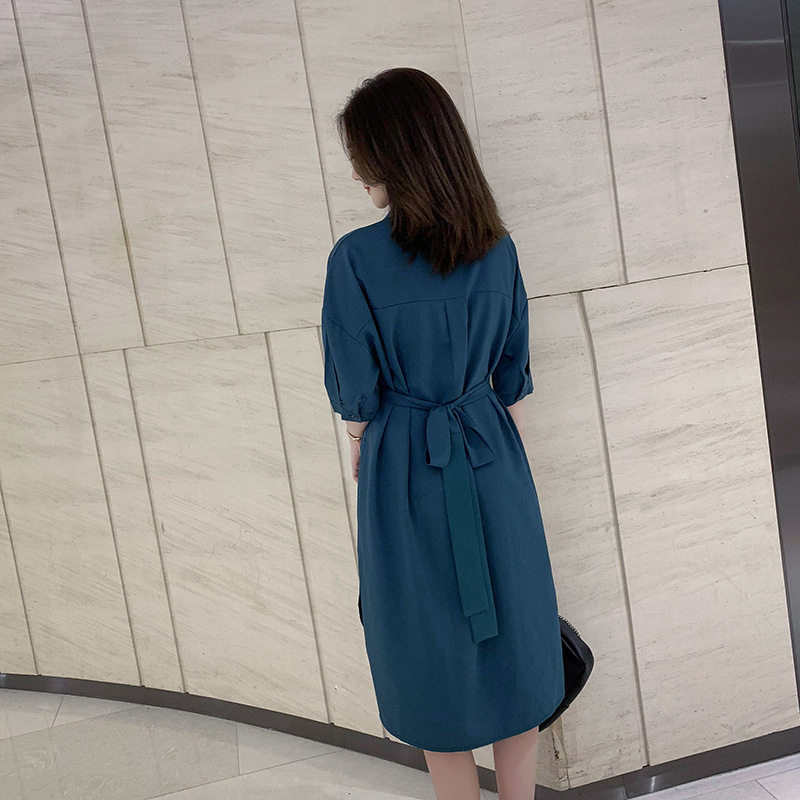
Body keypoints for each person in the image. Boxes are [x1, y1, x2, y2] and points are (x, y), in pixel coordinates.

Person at [321, 67, 564, 800]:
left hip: (404, 464)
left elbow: (356, 394)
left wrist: (360, 442)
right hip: (493, 455)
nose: (357, 172)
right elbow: (513, 378)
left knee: (428, 650)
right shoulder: (499, 248)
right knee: (517, 639)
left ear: (392, 155)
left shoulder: (355, 258)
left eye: (361, 155)